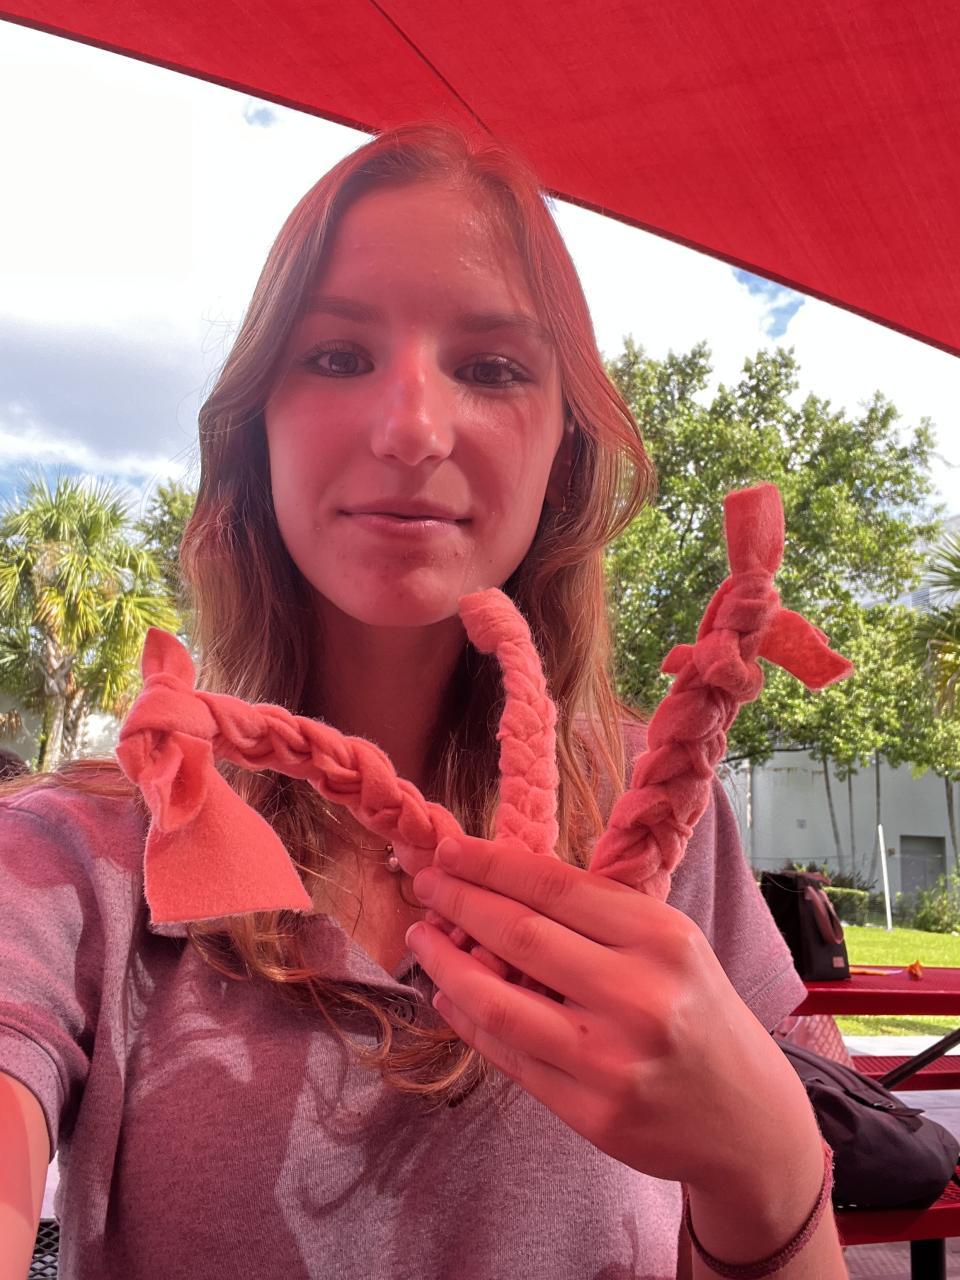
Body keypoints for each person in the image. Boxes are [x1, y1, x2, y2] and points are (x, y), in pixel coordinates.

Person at [0, 123, 847, 1280]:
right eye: (337, 354)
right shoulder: (76, 859)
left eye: (492, 368)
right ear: (255, 430)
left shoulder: (662, 818)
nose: (411, 429)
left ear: (563, 452)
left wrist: (765, 1163)